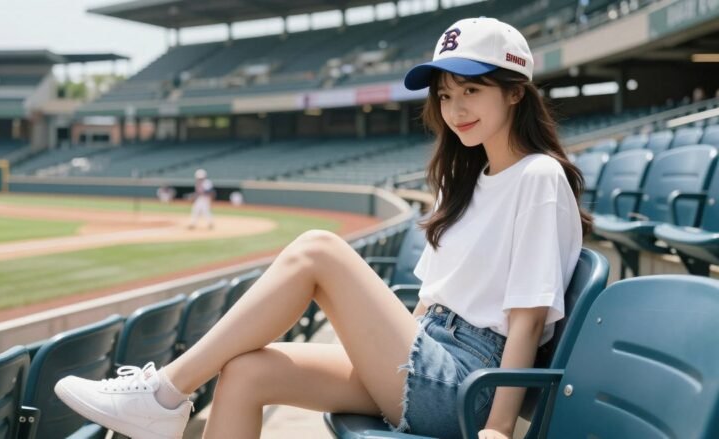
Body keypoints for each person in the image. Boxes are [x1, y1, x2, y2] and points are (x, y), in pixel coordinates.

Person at [54, 17, 590, 439]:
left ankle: (164, 394)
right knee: (245, 370)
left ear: (516, 91)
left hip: (470, 385)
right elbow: (428, 303)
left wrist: (496, 428)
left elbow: (527, 318)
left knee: (318, 250)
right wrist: (382, 343)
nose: (454, 109)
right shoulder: (463, 178)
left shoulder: (538, 176)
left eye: (471, 90)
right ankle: (164, 399)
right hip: (425, 354)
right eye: (445, 95)